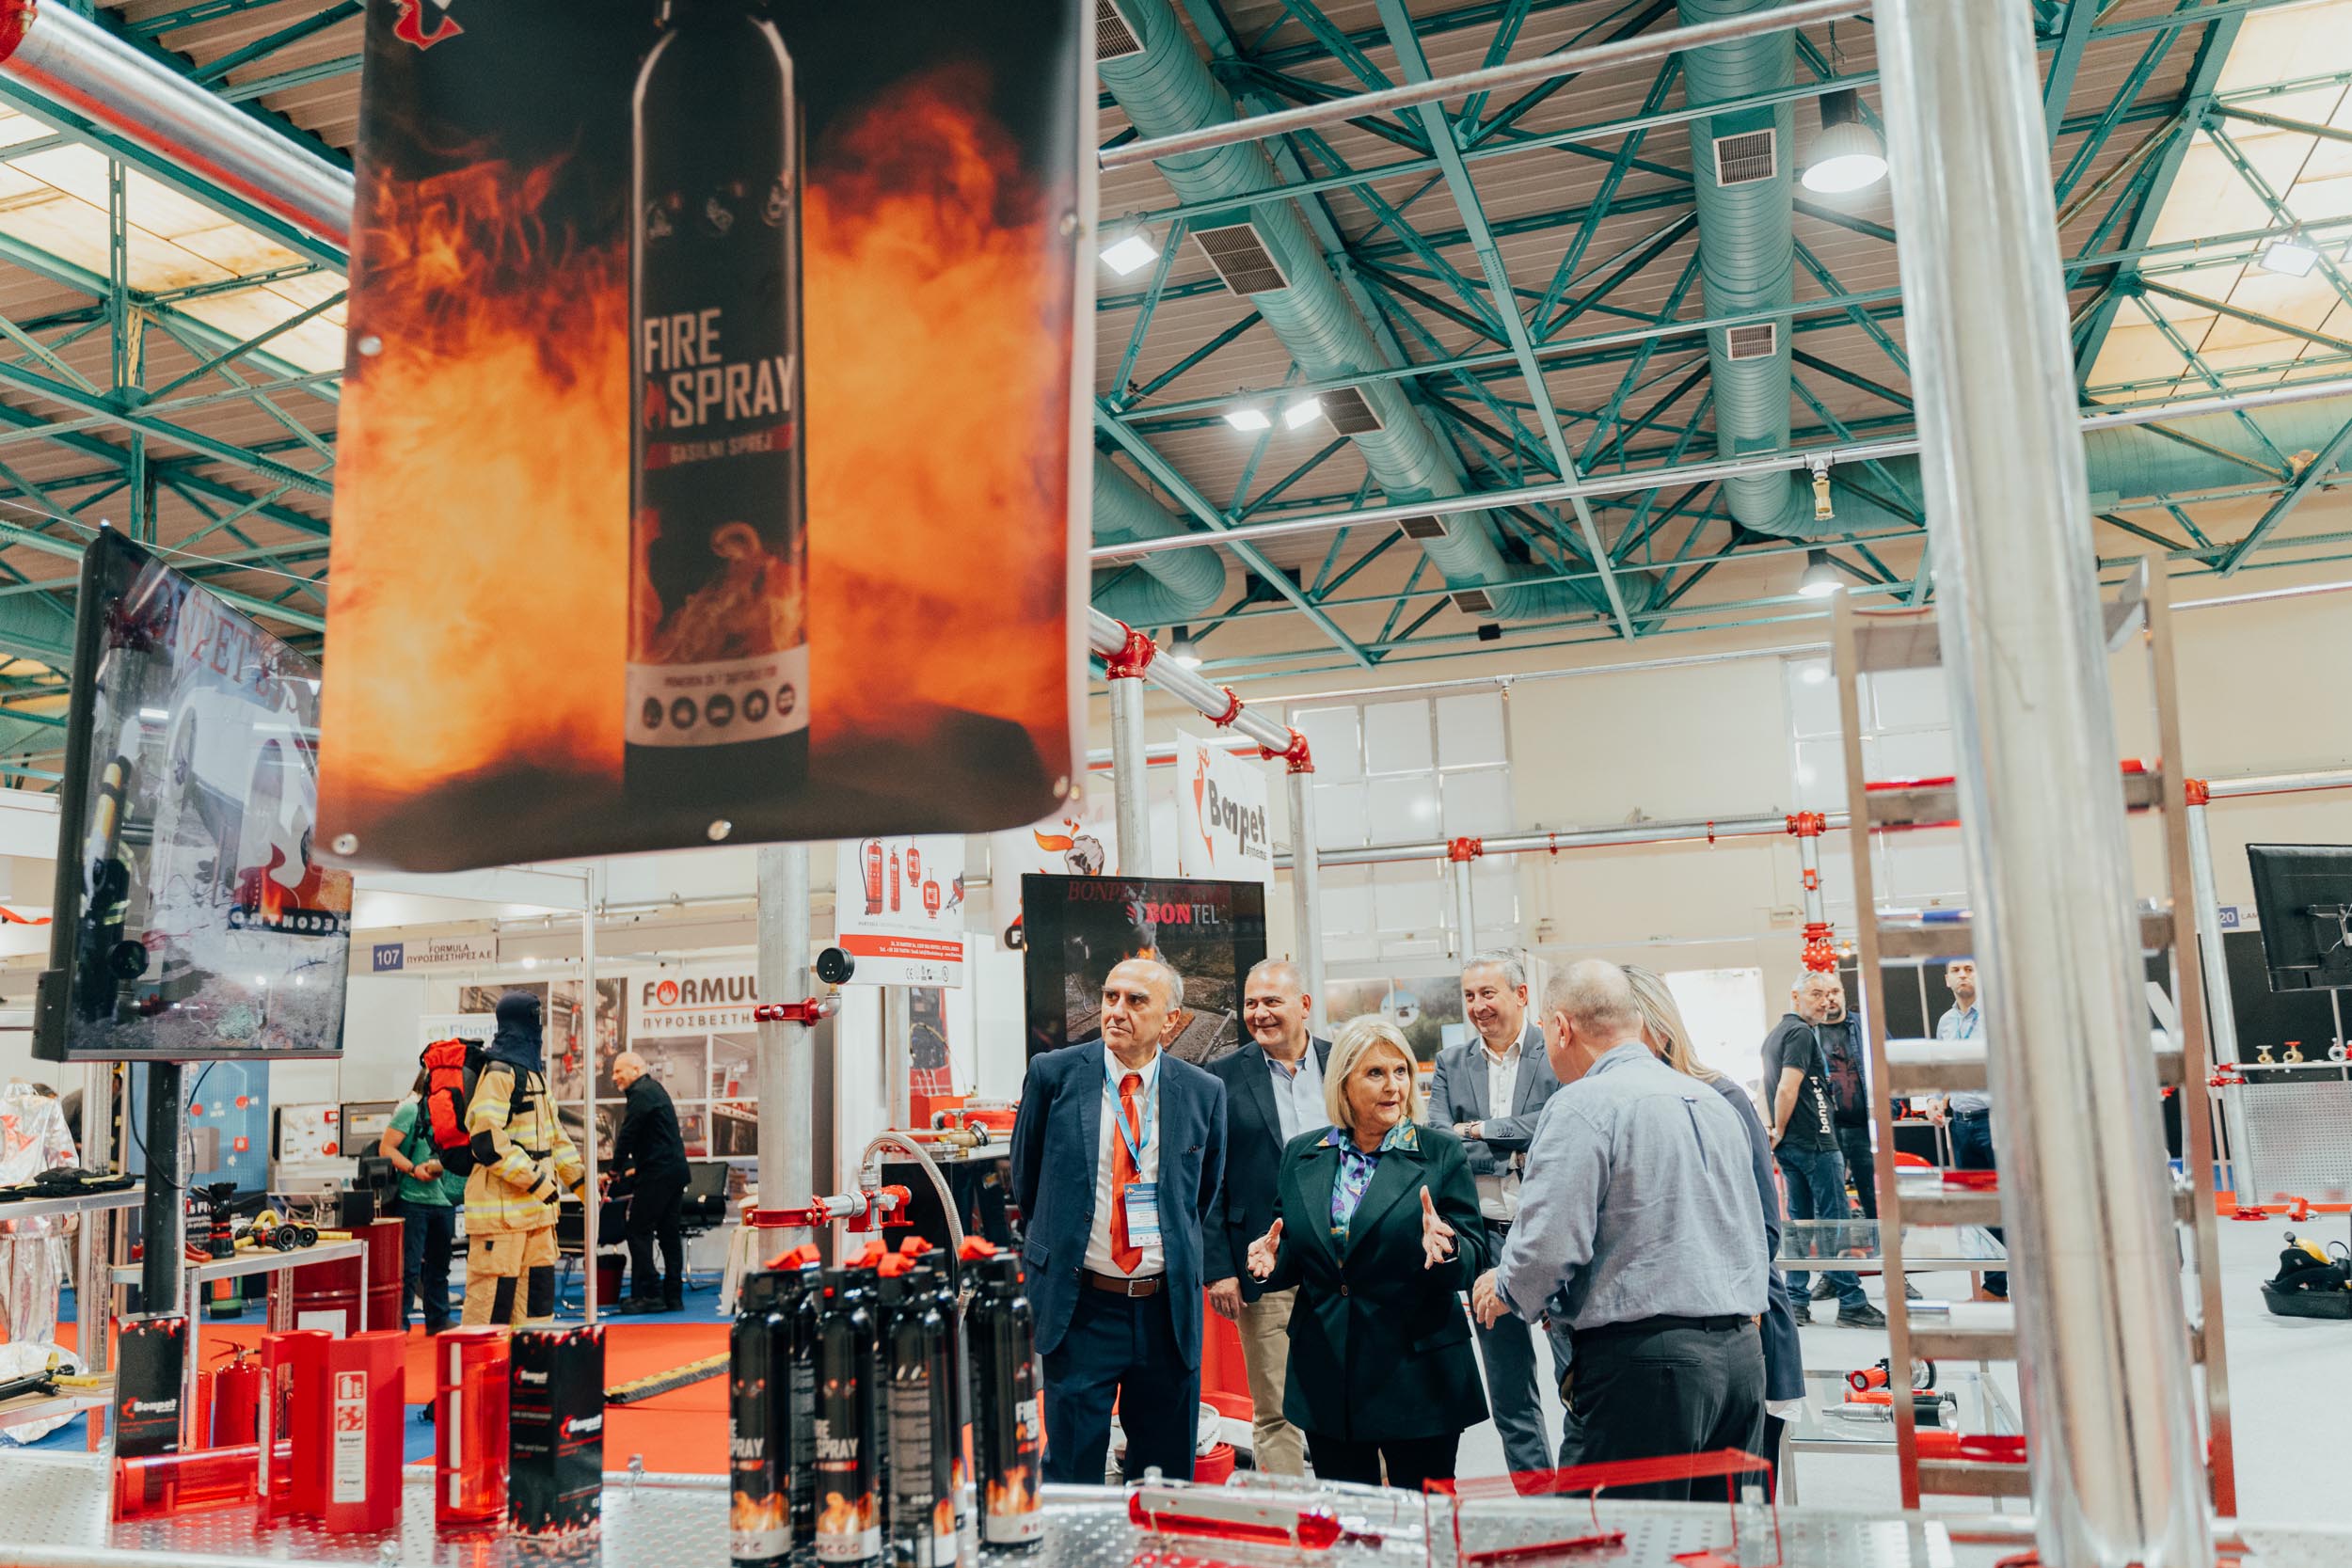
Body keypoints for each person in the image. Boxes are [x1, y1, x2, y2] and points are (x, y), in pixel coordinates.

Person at [1472, 961, 1769, 1502]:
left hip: (1646, 1366)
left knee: (1614, 1534)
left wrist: (1508, 1288)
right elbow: (1751, 1229)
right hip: (1740, 1361)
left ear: (1561, 1028)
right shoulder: (1712, 1101)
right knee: (1711, 1536)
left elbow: (1548, 1243)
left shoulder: (1582, 1105)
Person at [1242, 1016, 1489, 1492]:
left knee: (1422, 1519)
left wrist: (1448, 1249)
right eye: (1376, 1073)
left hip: (1417, 1377)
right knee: (1348, 1519)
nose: (1394, 1085)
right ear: (1344, 1084)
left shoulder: (1439, 1153)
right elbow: (1293, 1248)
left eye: (1401, 1071)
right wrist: (1271, 1263)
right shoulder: (1303, 1154)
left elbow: (1473, 1256)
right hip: (1328, 1375)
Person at [1010, 958, 1227, 1485]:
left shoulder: (1202, 1091)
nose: (1116, 1011)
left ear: (1171, 1019)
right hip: (1081, 1305)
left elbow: (1199, 1196)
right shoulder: (1054, 1074)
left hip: (1165, 1310)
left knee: (1164, 1476)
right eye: (1111, 997)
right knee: (1073, 1471)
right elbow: (1027, 1179)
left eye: (1136, 1001)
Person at [1623, 967, 1803, 1490]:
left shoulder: (1720, 1096)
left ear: (1655, 1025)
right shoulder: (1610, 1103)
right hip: (1656, 1352)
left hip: (1740, 1330)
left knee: (1738, 1503)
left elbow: (1764, 1229)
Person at [1427, 950, 1572, 1478]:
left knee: (1578, 1377)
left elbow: (1558, 1121)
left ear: (1521, 994)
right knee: (1510, 1389)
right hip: (1485, 1239)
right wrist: (1512, 1150)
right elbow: (1440, 1141)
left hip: (1551, 1234)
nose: (1477, 1006)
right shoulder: (1451, 1062)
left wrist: (1477, 1130)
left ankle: (1584, 1497)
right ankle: (1539, 1501)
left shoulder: (1555, 1051)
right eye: (1469, 995)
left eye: (1488, 993)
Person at [1203, 959, 1329, 1477]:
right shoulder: (1220, 1078)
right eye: (1251, 1003)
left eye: (1272, 1001)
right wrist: (1218, 1268)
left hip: (1345, 1261)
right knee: (1276, 1410)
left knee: (1359, 1394)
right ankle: (1288, 1517)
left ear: (1304, 1005)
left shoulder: (1344, 1062)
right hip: (1264, 1264)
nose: (1259, 1013)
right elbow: (1208, 1181)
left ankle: (1368, 1510)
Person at [1760, 974, 1884, 1328]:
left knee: (1800, 1224)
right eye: (1816, 993)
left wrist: (1776, 1133)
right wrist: (1778, 1128)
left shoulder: (1776, 1035)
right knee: (1836, 1223)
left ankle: (1796, 1301)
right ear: (1795, 996)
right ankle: (1852, 1302)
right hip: (1816, 1141)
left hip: (1793, 1146)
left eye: (1831, 993)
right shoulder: (1800, 1033)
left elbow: (1768, 1088)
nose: (1825, 1000)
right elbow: (1786, 1088)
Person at [462, 991, 585, 1327]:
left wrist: (582, 1185)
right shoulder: (499, 1073)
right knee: (490, 1314)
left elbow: (555, 1137)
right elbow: (486, 1141)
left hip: (538, 1218)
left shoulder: (535, 1076)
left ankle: (531, 1362)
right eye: (535, 1018)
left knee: (536, 1313)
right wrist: (537, 1181)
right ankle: (487, 1365)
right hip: (501, 1221)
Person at [1931, 959, 2004, 1300]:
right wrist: (1937, 1099)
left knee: (2008, 1205)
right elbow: (1943, 1069)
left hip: (1995, 1121)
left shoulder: (1998, 1016)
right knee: (1979, 1209)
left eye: (1969, 969)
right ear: (1947, 979)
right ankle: (1995, 1288)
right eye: (1956, 970)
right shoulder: (1946, 1022)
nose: (1962, 975)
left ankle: (2018, 1284)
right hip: (1961, 1125)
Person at [378, 1069, 460, 1335]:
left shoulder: (451, 1113)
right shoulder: (410, 1110)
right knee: (409, 1268)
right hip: (412, 1200)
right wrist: (414, 1169)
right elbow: (386, 1149)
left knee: (439, 1266)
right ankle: (400, 1324)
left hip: (444, 1200)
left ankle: (438, 1320)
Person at [609, 1051, 690, 1315]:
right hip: (674, 1171)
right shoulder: (654, 1090)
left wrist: (614, 1169)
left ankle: (651, 1294)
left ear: (635, 1069)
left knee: (637, 1230)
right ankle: (673, 1297)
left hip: (658, 1174)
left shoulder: (641, 1093)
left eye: (618, 1071)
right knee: (669, 1234)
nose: (614, 1077)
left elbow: (628, 1133)